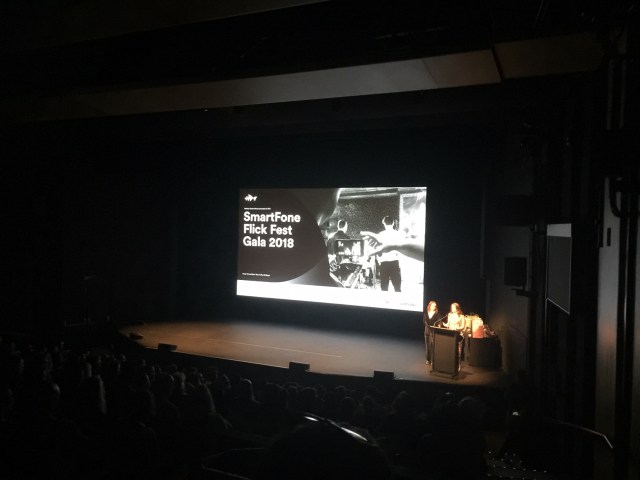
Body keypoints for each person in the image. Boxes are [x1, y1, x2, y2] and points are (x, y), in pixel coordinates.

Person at [423, 301, 439, 365]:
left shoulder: (437, 313)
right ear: (430, 306)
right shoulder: (426, 313)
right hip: (427, 331)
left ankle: (433, 360)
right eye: (433, 306)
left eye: (435, 306)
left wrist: (439, 324)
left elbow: (439, 321)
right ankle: (428, 359)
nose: (434, 307)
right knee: (427, 346)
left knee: (433, 346)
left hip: (433, 332)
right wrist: (427, 324)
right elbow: (424, 320)